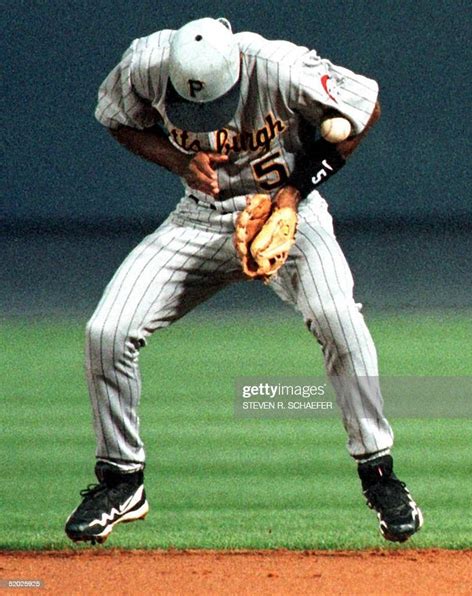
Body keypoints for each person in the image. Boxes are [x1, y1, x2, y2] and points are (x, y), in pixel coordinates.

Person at [65, 17, 423, 545]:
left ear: (235, 71)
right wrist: (179, 161)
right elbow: (117, 120)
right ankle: (122, 480)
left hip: (289, 216)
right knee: (107, 332)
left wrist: (295, 191)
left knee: (337, 317)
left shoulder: (280, 67)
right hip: (200, 216)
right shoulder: (145, 64)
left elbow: (364, 108)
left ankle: (379, 474)